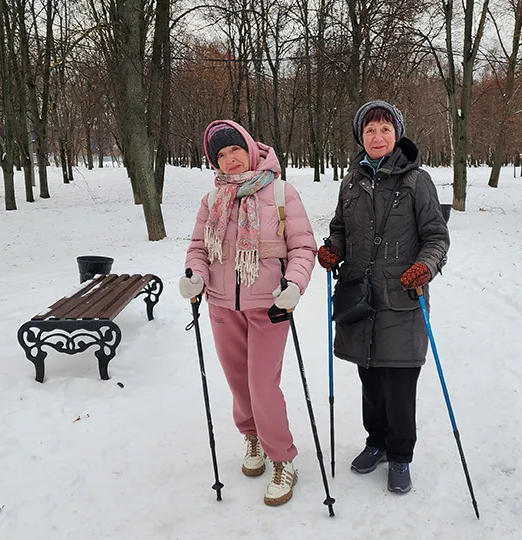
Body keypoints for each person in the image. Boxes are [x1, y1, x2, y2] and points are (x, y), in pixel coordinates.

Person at [179, 120, 317, 506]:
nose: (230, 159)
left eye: (234, 149)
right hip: (222, 305)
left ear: (250, 148)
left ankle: (282, 457)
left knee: (262, 385)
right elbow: (198, 249)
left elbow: (304, 247)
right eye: (220, 155)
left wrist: (294, 284)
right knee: (239, 383)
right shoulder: (211, 201)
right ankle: (251, 437)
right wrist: (194, 275)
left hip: (269, 306)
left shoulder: (280, 192)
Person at [316, 100, 450, 494]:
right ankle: (375, 442)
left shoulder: (416, 181)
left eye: (385, 130)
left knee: (400, 380)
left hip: (402, 297)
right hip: (360, 296)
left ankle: (401, 455)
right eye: (370, 130)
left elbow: (436, 237)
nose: (377, 136)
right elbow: (339, 228)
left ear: (397, 135)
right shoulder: (350, 182)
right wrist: (333, 248)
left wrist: (425, 268)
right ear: (361, 136)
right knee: (369, 376)